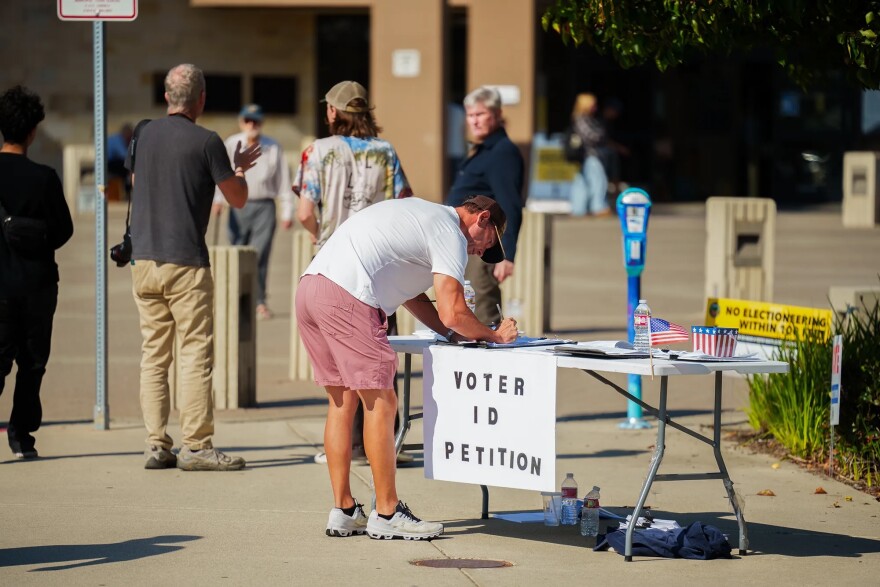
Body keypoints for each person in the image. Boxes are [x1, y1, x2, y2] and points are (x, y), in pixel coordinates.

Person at [295, 194, 518, 540]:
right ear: (482, 218)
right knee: (382, 402)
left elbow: (413, 297)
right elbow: (453, 311)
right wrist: (494, 335)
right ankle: (387, 512)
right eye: (486, 244)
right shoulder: (450, 232)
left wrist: (451, 334)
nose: (480, 253)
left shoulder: (421, 215)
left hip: (311, 288)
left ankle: (344, 510)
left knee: (342, 402)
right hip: (347, 295)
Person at [126, 64, 261, 471]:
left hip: (143, 259)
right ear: (201, 99)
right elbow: (236, 199)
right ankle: (197, 446)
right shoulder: (207, 142)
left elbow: (138, 183)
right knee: (195, 354)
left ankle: (156, 444)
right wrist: (238, 169)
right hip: (186, 261)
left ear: (167, 97)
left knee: (154, 355)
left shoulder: (143, 133)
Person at [293, 80, 412, 466]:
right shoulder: (386, 151)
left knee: (339, 374)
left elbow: (305, 212)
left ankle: (349, 446)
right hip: (379, 266)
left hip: (333, 265)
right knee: (377, 360)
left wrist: (319, 238)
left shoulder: (318, 151)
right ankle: (382, 442)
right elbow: (403, 204)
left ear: (332, 112)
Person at [0, 85, 74, 459]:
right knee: (32, 364)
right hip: (37, 286)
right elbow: (64, 231)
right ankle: (21, 437)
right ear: (32, 132)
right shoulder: (44, 177)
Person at [446, 86, 524, 326]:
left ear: (497, 114)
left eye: (480, 114)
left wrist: (505, 255)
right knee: (464, 311)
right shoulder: (481, 150)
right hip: (465, 243)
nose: (474, 121)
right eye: (470, 115)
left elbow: (510, 205)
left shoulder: (502, 152)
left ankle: (491, 360)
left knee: (482, 312)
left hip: (482, 247)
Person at [212, 103, 294, 320]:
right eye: (248, 120)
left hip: (264, 206)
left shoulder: (273, 147)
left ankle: (259, 301)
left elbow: (283, 181)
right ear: (241, 122)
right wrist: (218, 200)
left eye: (256, 121)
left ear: (261, 123)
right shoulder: (232, 143)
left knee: (259, 255)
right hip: (238, 205)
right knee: (237, 252)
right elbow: (223, 174)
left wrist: (287, 211)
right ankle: (236, 299)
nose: (252, 125)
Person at [568, 93, 611, 217]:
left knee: (581, 183)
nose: (595, 107)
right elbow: (593, 136)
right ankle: (598, 206)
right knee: (598, 181)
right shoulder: (581, 119)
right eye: (593, 105)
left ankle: (578, 208)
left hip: (585, 156)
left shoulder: (584, 118)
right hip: (590, 155)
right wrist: (603, 134)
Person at [107, 123, 134, 199]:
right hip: (108, 164)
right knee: (127, 168)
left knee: (127, 168)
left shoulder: (116, 138)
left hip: (110, 163)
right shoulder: (118, 140)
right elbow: (124, 155)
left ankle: (127, 190)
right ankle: (127, 193)